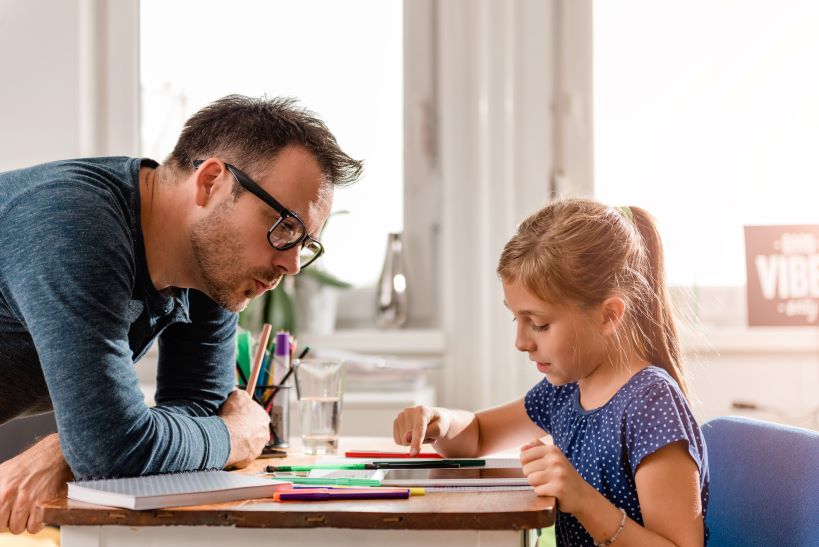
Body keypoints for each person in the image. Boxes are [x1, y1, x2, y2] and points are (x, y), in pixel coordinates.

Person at [0, 94, 362, 534]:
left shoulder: (210, 268)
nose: (290, 264)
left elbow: (198, 408)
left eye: (305, 244)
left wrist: (67, 449)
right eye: (285, 227)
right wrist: (236, 436)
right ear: (211, 182)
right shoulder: (74, 225)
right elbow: (114, 451)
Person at [393, 199, 709, 546]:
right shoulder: (565, 391)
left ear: (609, 315)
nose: (521, 341)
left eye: (539, 324)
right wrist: (440, 422)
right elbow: (480, 435)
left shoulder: (651, 403)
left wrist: (584, 501)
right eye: (517, 319)